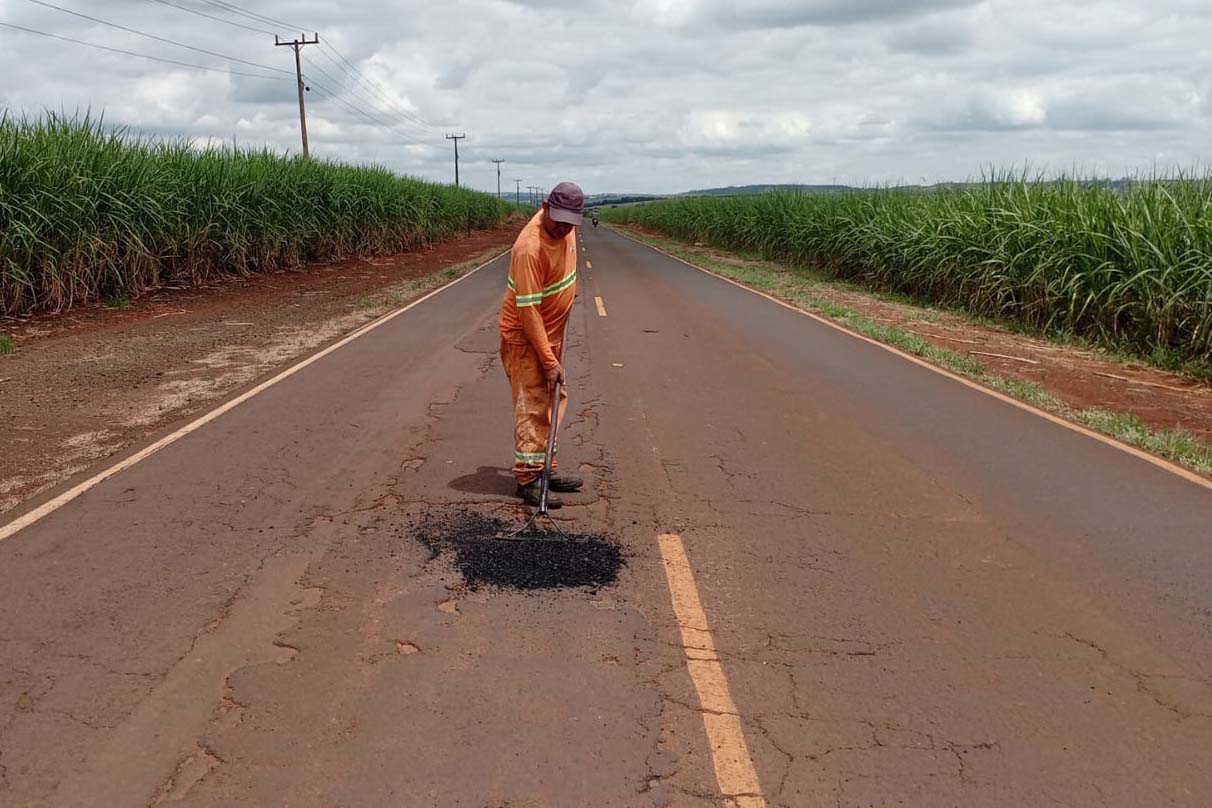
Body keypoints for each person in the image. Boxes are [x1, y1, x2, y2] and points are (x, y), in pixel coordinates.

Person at [499, 182, 586, 508]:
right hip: (526, 338)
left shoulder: (566, 229)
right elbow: (528, 311)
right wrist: (549, 361)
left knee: (551, 400)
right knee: (533, 404)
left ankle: (545, 468)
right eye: (559, 222)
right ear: (546, 207)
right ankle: (528, 479)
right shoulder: (529, 248)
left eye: (570, 224)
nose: (564, 229)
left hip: (550, 334)